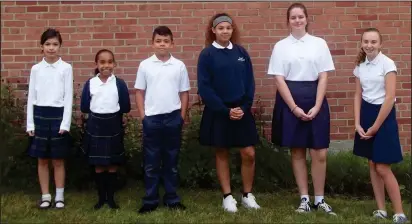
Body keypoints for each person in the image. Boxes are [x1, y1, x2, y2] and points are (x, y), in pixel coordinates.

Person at [267, 3, 336, 215]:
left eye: (300, 17)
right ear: (288, 21)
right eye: (293, 17)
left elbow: (324, 75)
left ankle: (320, 199)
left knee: (320, 152)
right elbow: (279, 79)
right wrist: (294, 108)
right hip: (290, 99)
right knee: (297, 150)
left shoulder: (319, 44)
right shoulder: (280, 46)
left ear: (306, 19)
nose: (297, 20)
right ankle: (304, 199)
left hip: (316, 97)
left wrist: (317, 104)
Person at [197, 13, 260, 213]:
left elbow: (250, 83)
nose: (225, 31)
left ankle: (247, 195)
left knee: (248, 152)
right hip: (219, 112)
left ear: (233, 30)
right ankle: (227, 196)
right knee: (222, 151)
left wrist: (243, 107)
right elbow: (205, 87)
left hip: (241, 110)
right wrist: (225, 110)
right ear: (213, 30)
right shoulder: (207, 55)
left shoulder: (241, 53)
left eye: (228, 28)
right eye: (221, 28)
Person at [352, 28, 408, 224]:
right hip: (366, 113)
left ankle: (399, 212)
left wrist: (375, 126)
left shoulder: (388, 64)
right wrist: (357, 122)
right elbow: (358, 95)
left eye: (373, 41)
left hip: (383, 116)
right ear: (361, 43)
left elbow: (390, 97)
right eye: (366, 41)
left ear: (380, 44)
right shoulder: (360, 65)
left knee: (382, 166)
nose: (369, 45)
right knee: (372, 164)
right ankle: (381, 209)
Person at [134, 25, 190, 214]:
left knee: (171, 162)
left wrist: (181, 117)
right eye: (158, 41)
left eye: (166, 41)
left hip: (173, 118)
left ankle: (172, 199)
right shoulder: (145, 65)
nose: (162, 44)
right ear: (152, 43)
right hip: (152, 119)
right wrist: (143, 117)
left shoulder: (179, 65)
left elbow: (184, 93)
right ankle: (150, 200)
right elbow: (139, 92)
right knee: (151, 162)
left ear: (172, 44)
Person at [26, 28, 73, 209]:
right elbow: (31, 97)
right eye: (47, 44)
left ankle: (59, 195)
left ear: (60, 46)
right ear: (41, 47)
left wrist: (65, 123)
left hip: (58, 115)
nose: (51, 48)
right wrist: (30, 122)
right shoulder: (36, 69)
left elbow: (68, 96)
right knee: (42, 159)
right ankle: (46, 195)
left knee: (58, 159)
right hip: (40, 115)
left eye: (55, 44)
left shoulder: (66, 68)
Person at [80, 49, 131, 210]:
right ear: (96, 64)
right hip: (96, 124)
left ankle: (111, 198)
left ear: (114, 64)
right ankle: (101, 198)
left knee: (112, 163)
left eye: (109, 62)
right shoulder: (91, 83)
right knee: (99, 164)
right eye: (102, 62)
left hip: (113, 124)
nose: (106, 65)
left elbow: (126, 106)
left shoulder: (119, 84)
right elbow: (84, 107)